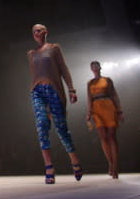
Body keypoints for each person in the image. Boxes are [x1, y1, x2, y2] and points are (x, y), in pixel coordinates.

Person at [27, 24, 82, 184]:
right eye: (33, 32)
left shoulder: (54, 48)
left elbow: (63, 69)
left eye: (39, 30)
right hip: (37, 90)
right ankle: (49, 166)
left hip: (53, 89)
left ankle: (75, 160)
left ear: (45, 32)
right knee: (42, 124)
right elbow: (35, 74)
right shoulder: (31, 54)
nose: (36, 33)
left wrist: (71, 89)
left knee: (61, 128)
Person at [86, 61, 124, 179]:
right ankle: (111, 164)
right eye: (92, 66)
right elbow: (89, 98)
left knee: (112, 136)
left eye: (96, 66)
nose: (95, 68)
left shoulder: (107, 80)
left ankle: (115, 167)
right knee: (103, 136)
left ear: (100, 67)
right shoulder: (90, 83)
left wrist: (119, 111)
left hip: (109, 106)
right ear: (91, 69)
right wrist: (88, 112)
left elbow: (114, 95)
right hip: (97, 108)